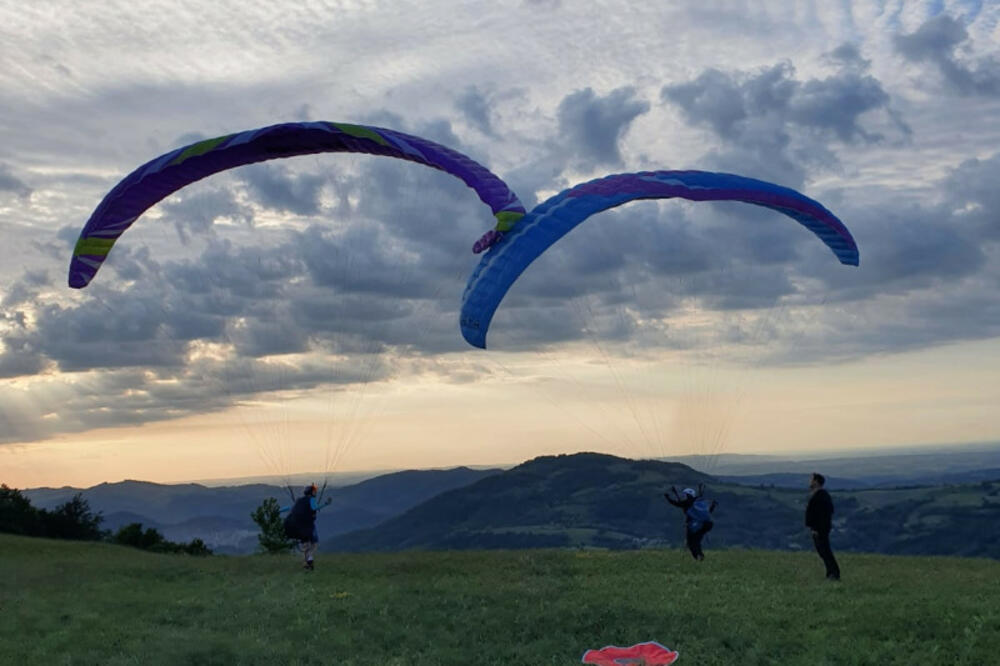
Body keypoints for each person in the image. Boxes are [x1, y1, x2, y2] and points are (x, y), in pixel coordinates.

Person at [281, 484, 332, 571]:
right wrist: (326, 504)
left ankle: (307, 564)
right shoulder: (311, 499)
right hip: (308, 526)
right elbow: (314, 507)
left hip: (299, 527)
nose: (315, 492)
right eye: (314, 491)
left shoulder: (299, 500)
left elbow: (291, 508)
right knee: (314, 544)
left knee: (305, 545)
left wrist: (279, 510)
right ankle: (309, 562)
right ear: (311, 492)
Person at [664, 483, 718, 561]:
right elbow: (708, 513)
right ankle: (700, 557)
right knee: (696, 541)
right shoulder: (699, 501)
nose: (684, 496)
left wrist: (668, 498)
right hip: (706, 525)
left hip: (695, 526)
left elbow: (676, 503)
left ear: (688, 495)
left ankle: (698, 557)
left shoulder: (688, 502)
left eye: (685, 495)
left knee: (691, 543)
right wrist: (713, 506)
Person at [805, 472, 840, 581]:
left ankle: (834, 574)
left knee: (825, 551)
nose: (809, 482)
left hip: (820, 529)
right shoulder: (820, 495)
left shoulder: (821, 496)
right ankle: (831, 573)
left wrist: (816, 528)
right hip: (819, 529)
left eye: (811, 479)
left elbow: (822, 514)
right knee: (823, 552)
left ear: (816, 481)